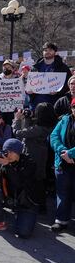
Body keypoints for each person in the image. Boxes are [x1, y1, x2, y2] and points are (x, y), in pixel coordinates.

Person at [0, 139, 43, 238]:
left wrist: (7, 165)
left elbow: (19, 183)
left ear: (18, 152)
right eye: (6, 152)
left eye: (11, 152)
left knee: (24, 233)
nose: (8, 155)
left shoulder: (29, 163)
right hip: (9, 198)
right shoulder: (3, 160)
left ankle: (24, 217)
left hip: (26, 202)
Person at [49, 98, 75, 232]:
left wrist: (71, 153)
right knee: (62, 193)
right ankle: (61, 220)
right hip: (63, 163)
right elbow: (53, 137)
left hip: (70, 159)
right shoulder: (64, 120)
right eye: (74, 107)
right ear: (71, 108)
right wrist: (62, 151)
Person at [29, 42, 71, 109]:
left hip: (55, 104)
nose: (47, 52)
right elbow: (30, 85)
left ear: (55, 52)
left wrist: (58, 92)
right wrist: (29, 92)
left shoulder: (63, 67)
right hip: (37, 104)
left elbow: (69, 85)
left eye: (50, 50)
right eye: (45, 50)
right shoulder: (35, 67)